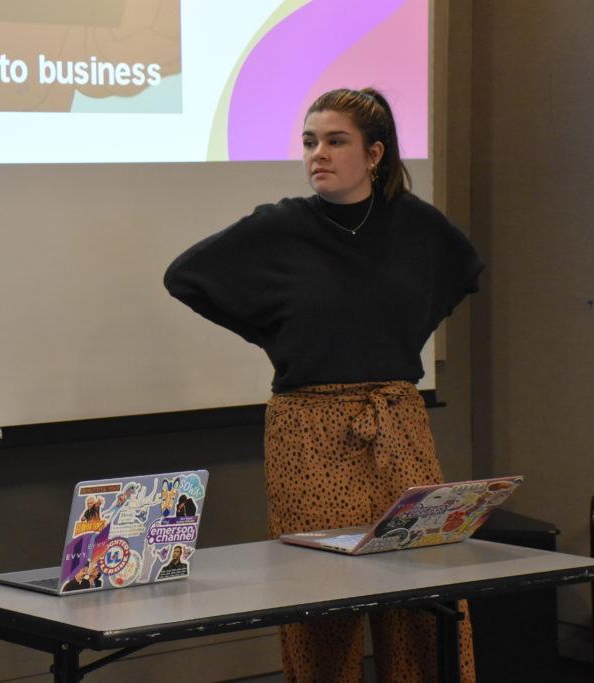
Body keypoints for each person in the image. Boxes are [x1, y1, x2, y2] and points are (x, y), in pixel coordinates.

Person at [163, 88, 481, 682]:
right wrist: (275, 333)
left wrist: (397, 336)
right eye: (310, 141)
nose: (319, 154)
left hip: (396, 418)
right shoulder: (281, 225)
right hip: (309, 430)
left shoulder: (414, 223)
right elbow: (186, 277)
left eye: (336, 141)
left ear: (375, 152)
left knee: (420, 587)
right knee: (321, 597)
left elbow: (464, 271)